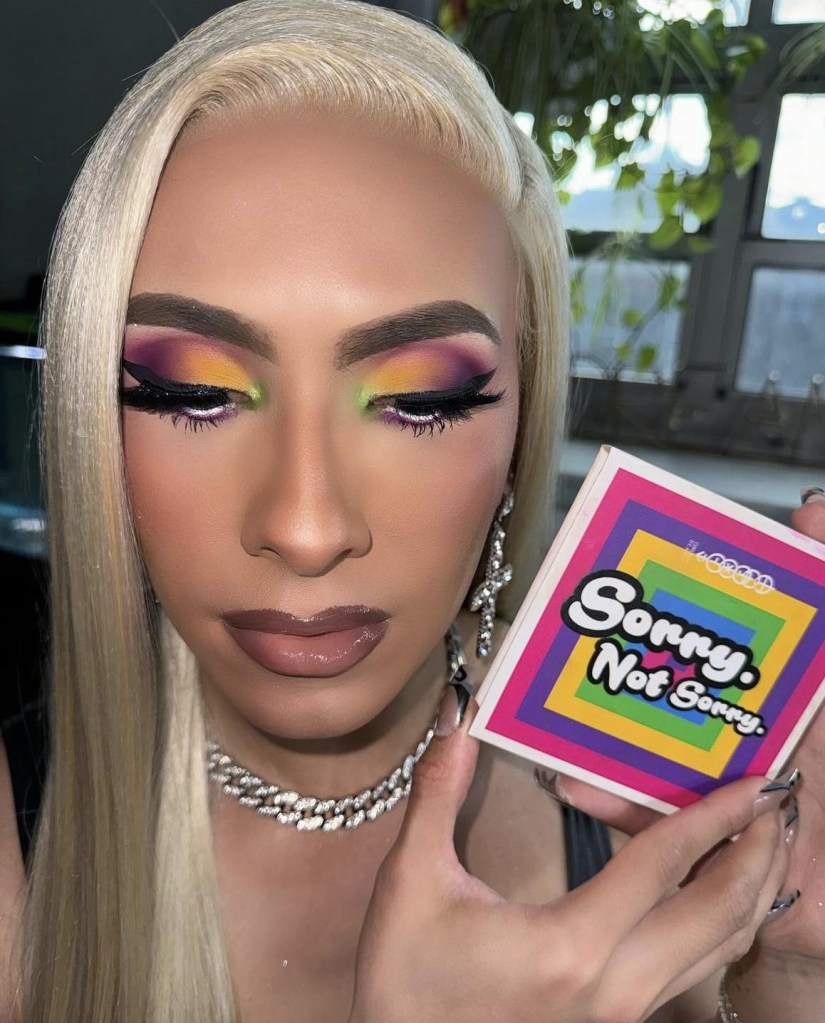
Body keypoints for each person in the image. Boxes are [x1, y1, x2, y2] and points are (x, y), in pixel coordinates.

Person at [0, 1, 823, 1020]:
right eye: (190, 392)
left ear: (520, 422)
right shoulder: (22, 834)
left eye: (422, 401)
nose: (307, 529)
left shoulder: (662, 803)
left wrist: (790, 970)